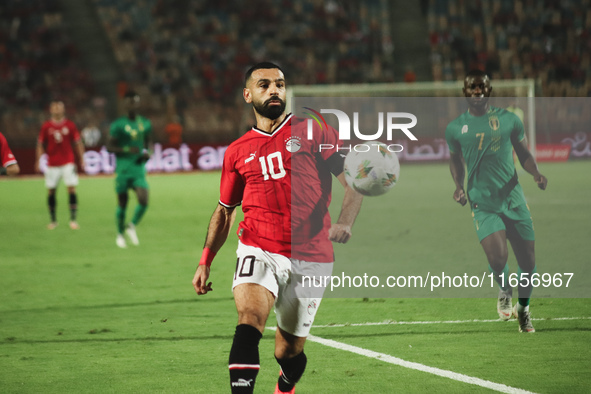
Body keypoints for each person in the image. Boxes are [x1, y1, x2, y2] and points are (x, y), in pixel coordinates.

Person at [192, 62, 363, 393]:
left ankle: (286, 383)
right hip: (258, 247)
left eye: (280, 84)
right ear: (248, 95)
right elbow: (225, 211)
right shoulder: (237, 151)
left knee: (288, 352)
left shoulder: (313, 131)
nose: (274, 90)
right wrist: (205, 259)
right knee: (250, 319)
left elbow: (354, 183)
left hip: (311, 255)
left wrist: (345, 222)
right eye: (265, 84)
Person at [445, 70, 547, 333]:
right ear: (465, 92)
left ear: (489, 90)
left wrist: (535, 173)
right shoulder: (455, 128)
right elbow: (455, 160)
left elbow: (523, 153)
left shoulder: (510, 120)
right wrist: (458, 186)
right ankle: (504, 287)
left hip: (513, 199)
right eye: (472, 88)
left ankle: (523, 309)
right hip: (482, 202)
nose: (477, 91)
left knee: (528, 263)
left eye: (482, 87)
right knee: (499, 258)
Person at [107, 90, 152, 248]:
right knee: (123, 203)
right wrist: (127, 149)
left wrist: (147, 153)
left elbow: (147, 144)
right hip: (123, 169)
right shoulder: (118, 125)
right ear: (125, 104)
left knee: (144, 200)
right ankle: (120, 235)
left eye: (136, 101)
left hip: (138, 168)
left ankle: (131, 226)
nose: (133, 104)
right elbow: (109, 147)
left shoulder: (145, 123)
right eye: (130, 101)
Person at [35, 100, 85, 230]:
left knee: (71, 189)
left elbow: (78, 142)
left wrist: (82, 158)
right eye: (54, 108)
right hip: (52, 163)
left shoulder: (70, 125)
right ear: (51, 110)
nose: (57, 110)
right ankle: (53, 221)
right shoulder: (46, 126)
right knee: (51, 191)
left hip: (68, 162)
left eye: (59, 108)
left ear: (63, 110)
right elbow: (40, 144)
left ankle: (73, 220)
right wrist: (39, 159)